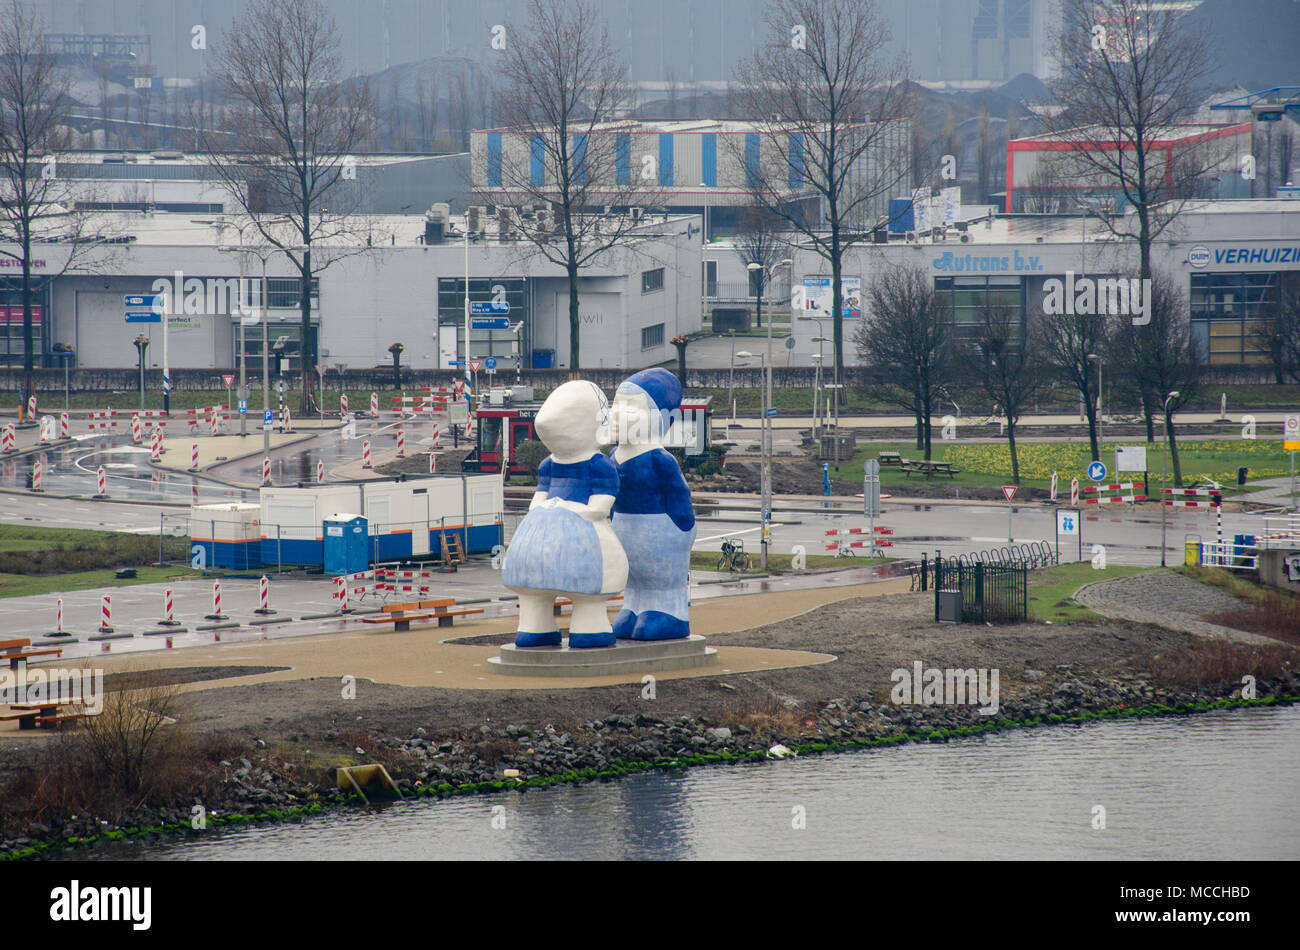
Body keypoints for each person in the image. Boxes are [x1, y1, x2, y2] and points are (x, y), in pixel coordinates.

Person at [501, 380, 628, 648]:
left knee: (587, 589)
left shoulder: (599, 465)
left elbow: (601, 503)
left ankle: (589, 628)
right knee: (533, 589)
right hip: (545, 530)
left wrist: (584, 511)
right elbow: (540, 494)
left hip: (583, 532)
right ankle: (535, 627)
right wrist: (542, 508)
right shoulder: (549, 464)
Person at [609, 368, 695, 640]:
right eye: (615, 405)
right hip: (626, 528)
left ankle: (670, 613)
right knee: (634, 578)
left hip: (661, 528)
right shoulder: (614, 454)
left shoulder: (661, 459)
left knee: (660, 580)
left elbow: (679, 499)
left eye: (631, 408)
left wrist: (683, 530)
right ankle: (633, 607)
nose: (617, 414)